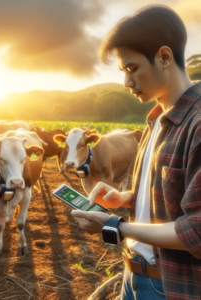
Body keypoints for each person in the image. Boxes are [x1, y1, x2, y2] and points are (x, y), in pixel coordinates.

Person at [72, 5, 201, 300]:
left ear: (165, 57)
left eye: (132, 68)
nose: (126, 83)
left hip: (169, 287)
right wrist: (125, 198)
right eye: (123, 71)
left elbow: (197, 229)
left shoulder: (198, 124)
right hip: (133, 275)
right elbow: (173, 197)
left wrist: (118, 226)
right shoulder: (155, 119)